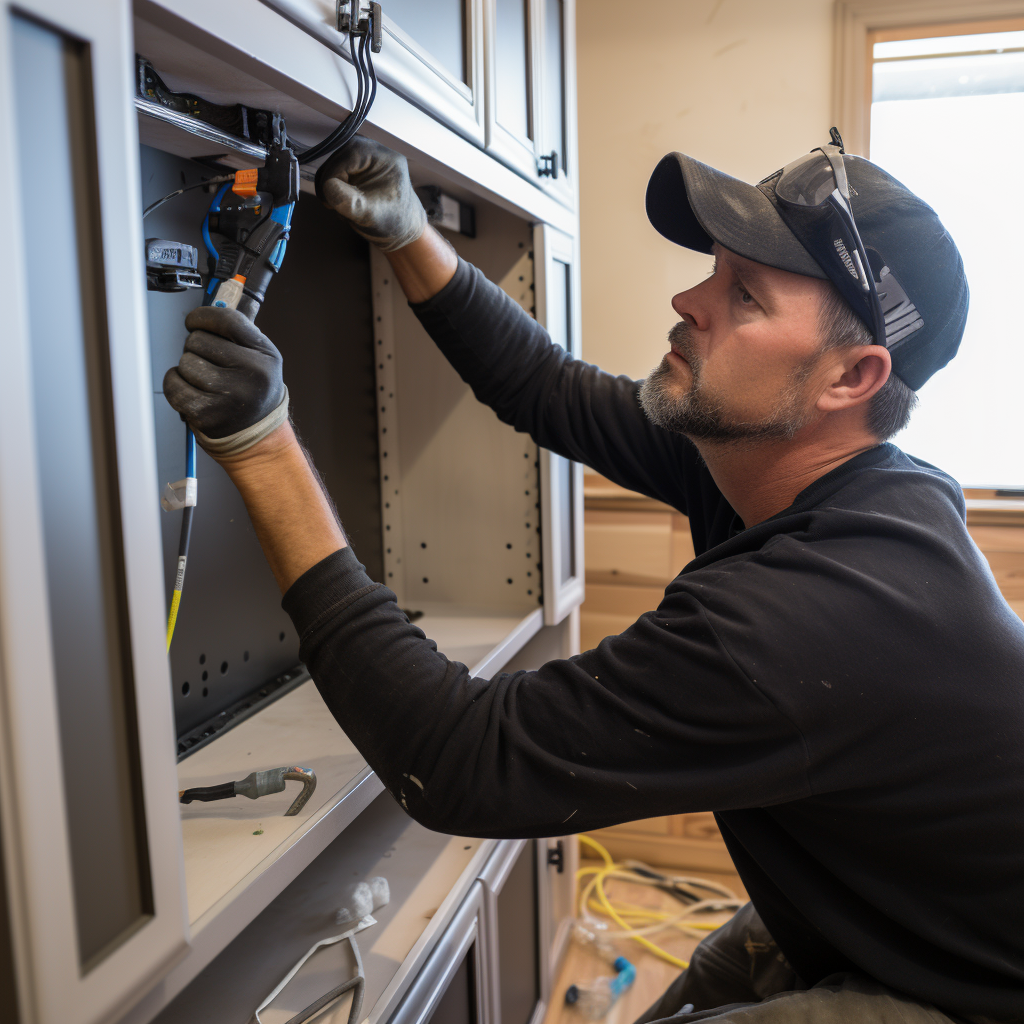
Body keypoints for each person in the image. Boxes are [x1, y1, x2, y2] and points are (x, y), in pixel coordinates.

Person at [163, 133, 1024, 1024]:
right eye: (712, 271)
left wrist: (261, 449)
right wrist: (410, 232)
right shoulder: (815, 471)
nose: (688, 300)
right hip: (899, 919)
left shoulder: (816, 611)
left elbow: (459, 762)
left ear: (852, 376)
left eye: (745, 296)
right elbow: (549, 389)